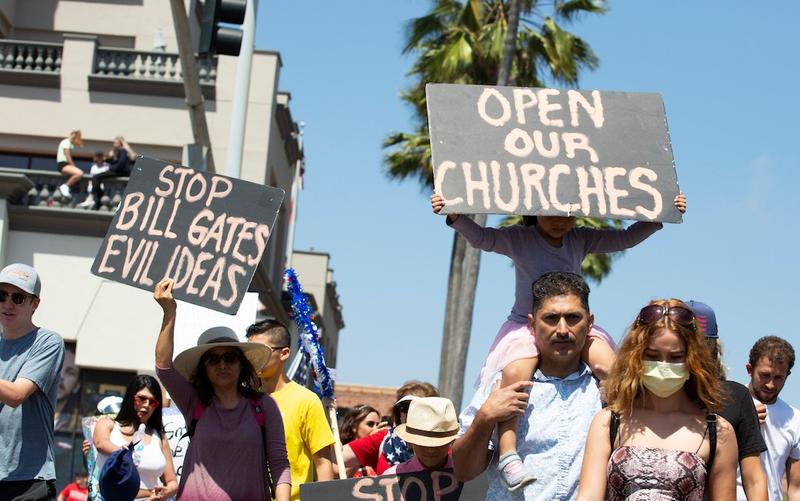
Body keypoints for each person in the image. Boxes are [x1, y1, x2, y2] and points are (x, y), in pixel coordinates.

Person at [431, 192, 688, 490]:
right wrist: (455, 217)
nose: (560, 221)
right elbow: (482, 239)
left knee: (612, 367)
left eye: (568, 213)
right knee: (514, 374)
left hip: (574, 332)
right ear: (534, 209)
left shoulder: (580, 239)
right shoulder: (520, 238)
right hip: (522, 327)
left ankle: (623, 438)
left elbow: (625, 239)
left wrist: (658, 217)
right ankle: (509, 454)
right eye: (551, 212)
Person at [453, 271, 600, 499]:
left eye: (573, 318)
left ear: (589, 323)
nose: (562, 330)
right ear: (532, 324)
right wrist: (484, 419)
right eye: (551, 318)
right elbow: (463, 471)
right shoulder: (502, 385)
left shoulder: (604, 390)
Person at [578, 298, 738, 500]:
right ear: (635, 357)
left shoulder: (718, 432)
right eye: (652, 356)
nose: (663, 365)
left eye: (676, 357)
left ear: (693, 359)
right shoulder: (608, 422)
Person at [153, 278, 291, 501]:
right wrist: (169, 312)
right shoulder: (193, 402)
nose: (223, 365)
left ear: (241, 364)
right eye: (213, 360)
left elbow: (279, 463)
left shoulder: (264, 406)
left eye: (230, 358)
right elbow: (163, 368)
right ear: (203, 368)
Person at [245, 318, 334, 501]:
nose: (253, 358)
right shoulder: (240, 400)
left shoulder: (306, 400)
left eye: (260, 351)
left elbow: (323, 463)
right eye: (249, 352)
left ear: (284, 353)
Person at [689, 300, 768, 501]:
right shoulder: (654, 398)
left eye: (702, 345)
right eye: (687, 343)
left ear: (714, 349)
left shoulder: (736, 396)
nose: (693, 353)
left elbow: (754, 479)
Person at [0, 263, 65, 501]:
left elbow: (16, 395)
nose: (8, 304)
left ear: (35, 304)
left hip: (28, 481)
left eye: (18, 298)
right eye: (2, 295)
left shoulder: (47, 342)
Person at [91, 375, 178, 501]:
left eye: (152, 402)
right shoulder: (108, 424)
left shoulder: (159, 437)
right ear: (130, 397)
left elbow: (172, 482)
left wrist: (165, 492)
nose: (146, 405)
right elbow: (100, 444)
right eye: (142, 399)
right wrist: (125, 452)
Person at [744, 336, 800, 500]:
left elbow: (796, 489)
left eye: (778, 377)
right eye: (765, 375)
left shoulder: (795, 419)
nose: (770, 384)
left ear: (787, 375)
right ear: (749, 369)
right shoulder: (728, 404)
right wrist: (741, 419)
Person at [344, 380, 439, 476]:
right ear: (398, 412)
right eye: (404, 407)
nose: (409, 413)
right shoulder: (383, 437)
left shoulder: (445, 443)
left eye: (417, 407)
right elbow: (338, 457)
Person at [384, 397, 459, 475]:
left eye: (439, 443)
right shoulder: (391, 477)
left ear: (451, 441)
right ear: (411, 440)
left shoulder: (465, 476)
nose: (430, 450)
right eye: (423, 442)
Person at [90, 136, 135, 210]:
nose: (113, 144)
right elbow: (116, 163)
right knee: (97, 177)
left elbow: (121, 164)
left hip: (121, 172)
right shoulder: (121, 151)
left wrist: (111, 169)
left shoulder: (123, 151)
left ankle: (94, 197)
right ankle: (98, 196)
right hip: (120, 172)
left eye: (115, 143)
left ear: (120, 144)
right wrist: (111, 157)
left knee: (96, 177)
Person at [56, 130, 84, 199]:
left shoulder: (70, 144)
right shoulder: (66, 142)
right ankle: (65, 186)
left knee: (78, 174)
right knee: (79, 173)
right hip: (63, 164)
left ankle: (67, 188)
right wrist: (73, 166)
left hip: (65, 164)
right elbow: (68, 156)